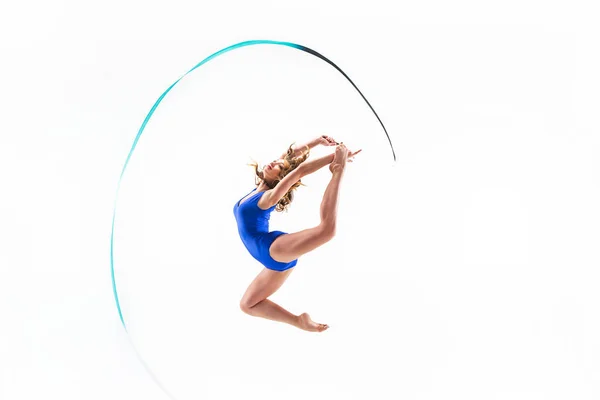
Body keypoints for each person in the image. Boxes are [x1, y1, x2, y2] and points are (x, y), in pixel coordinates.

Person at [233, 135, 361, 332]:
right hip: (272, 262)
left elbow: (299, 171)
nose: (274, 162)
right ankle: (298, 321)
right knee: (247, 304)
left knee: (327, 231)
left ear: (280, 179)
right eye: (275, 162)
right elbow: (290, 157)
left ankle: (338, 172)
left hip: (272, 249)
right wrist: (318, 141)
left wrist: (337, 158)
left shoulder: (268, 197)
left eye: (279, 167)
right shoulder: (258, 187)